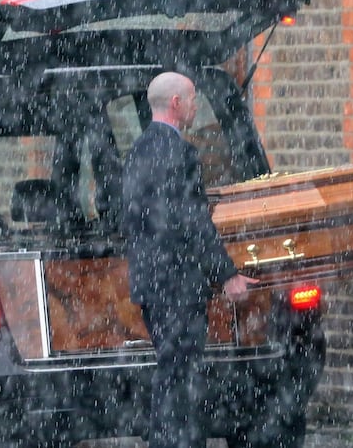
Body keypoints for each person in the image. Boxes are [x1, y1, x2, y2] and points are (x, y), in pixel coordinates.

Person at [121, 71, 258, 448]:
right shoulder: (179, 153)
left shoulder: (136, 152)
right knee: (179, 381)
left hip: (151, 285)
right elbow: (194, 220)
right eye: (194, 98)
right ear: (177, 103)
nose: (198, 105)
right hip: (178, 286)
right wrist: (227, 274)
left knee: (171, 374)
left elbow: (130, 219)